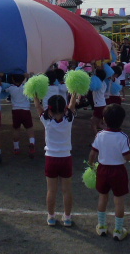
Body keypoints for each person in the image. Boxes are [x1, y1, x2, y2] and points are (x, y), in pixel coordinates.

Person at [88, 104, 130, 241]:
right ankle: (118, 230)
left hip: (102, 169)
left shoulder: (100, 135)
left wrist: (92, 167)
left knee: (102, 197)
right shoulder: (123, 137)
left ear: (104, 119)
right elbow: (127, 157)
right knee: (119, 201)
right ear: (122, 120)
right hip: (118, 171)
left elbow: (92, 154)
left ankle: (102, 226)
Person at [33, 92, 78, 227]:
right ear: (64, 109)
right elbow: (72, 105)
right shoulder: (69, 118)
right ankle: (68, 218)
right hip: (66, 158)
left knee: (51, 190)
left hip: (51, 159)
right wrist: (74, 94)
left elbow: (38, 107)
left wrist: (35, 95)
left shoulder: (46, 120)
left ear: (50, 109)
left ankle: (51, 217)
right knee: (67, 190)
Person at [5, 73, 36, 158]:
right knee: (30, 129)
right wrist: (29, 77)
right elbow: (31, 84)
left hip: (16, 111)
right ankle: (32, 143)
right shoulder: (26, 87)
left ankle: (16, 148)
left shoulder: (10, 88)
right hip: (26, 111)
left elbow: (4, 89)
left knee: (16, 129)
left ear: (13, 79)